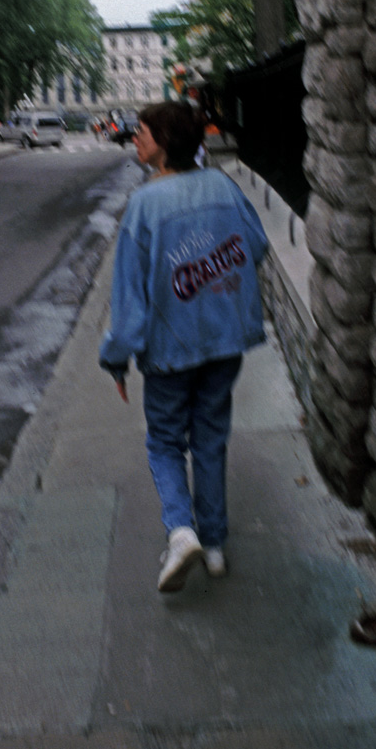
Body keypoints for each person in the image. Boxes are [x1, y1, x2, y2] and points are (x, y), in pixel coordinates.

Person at [99, 100, 268, 593]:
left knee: (166, 441)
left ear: (164, 142)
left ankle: (181, 531)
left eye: (143, 132)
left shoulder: (144, 206)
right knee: (211, 439)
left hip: (170, 349)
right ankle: (213, 546)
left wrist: (115, 359)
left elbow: (128, 299)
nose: (135, 138)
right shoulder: (222, 186)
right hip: (224, 339)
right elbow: (255, 244)